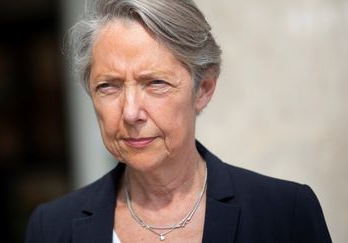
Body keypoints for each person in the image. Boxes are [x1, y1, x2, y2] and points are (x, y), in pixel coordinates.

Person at [25, 0, 332, 242]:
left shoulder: (284, 213)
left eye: (156, 83)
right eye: (109, 86)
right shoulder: (52, 227)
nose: (131, 112)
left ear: (204, 89)